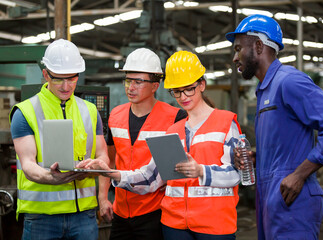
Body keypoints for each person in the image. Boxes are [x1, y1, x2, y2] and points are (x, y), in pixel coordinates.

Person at [78, 50, 243, 240]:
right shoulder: (174, 130)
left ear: (202, 84)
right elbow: (150, 178)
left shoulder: (225, 122)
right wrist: (107, 172)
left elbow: (237, 174)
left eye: (188, 88)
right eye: (176, 91)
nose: (183, 97)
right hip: (174, 224)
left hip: (214, 225)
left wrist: (201, 171)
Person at [226, 14, 323, 239]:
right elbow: (285, 142)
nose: (235, 58)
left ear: (258, 45)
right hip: (271, 196)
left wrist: (299, 174)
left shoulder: (289, 81)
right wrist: (258, 156)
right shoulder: (265, 90)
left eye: (238, 49)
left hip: (292, 200)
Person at [9, 39, 109, 240]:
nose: (66, 86)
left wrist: (97, 166)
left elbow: (103, 154)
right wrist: (51, 177)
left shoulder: (89, 111)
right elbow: (28, 164)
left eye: (72, 78)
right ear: (46, 74)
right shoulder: (25, 112)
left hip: (84, 215)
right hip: (42, 219)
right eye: (58, 79)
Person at [98, 48, 187, 240]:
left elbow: (178, 172)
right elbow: (110, 160)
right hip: (121, 212)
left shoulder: (175, 118)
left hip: (156, 213)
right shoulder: (115, 115)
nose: (131, 87)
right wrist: (103, 198)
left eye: (138, 82)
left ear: (155, 85)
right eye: (128, 80)